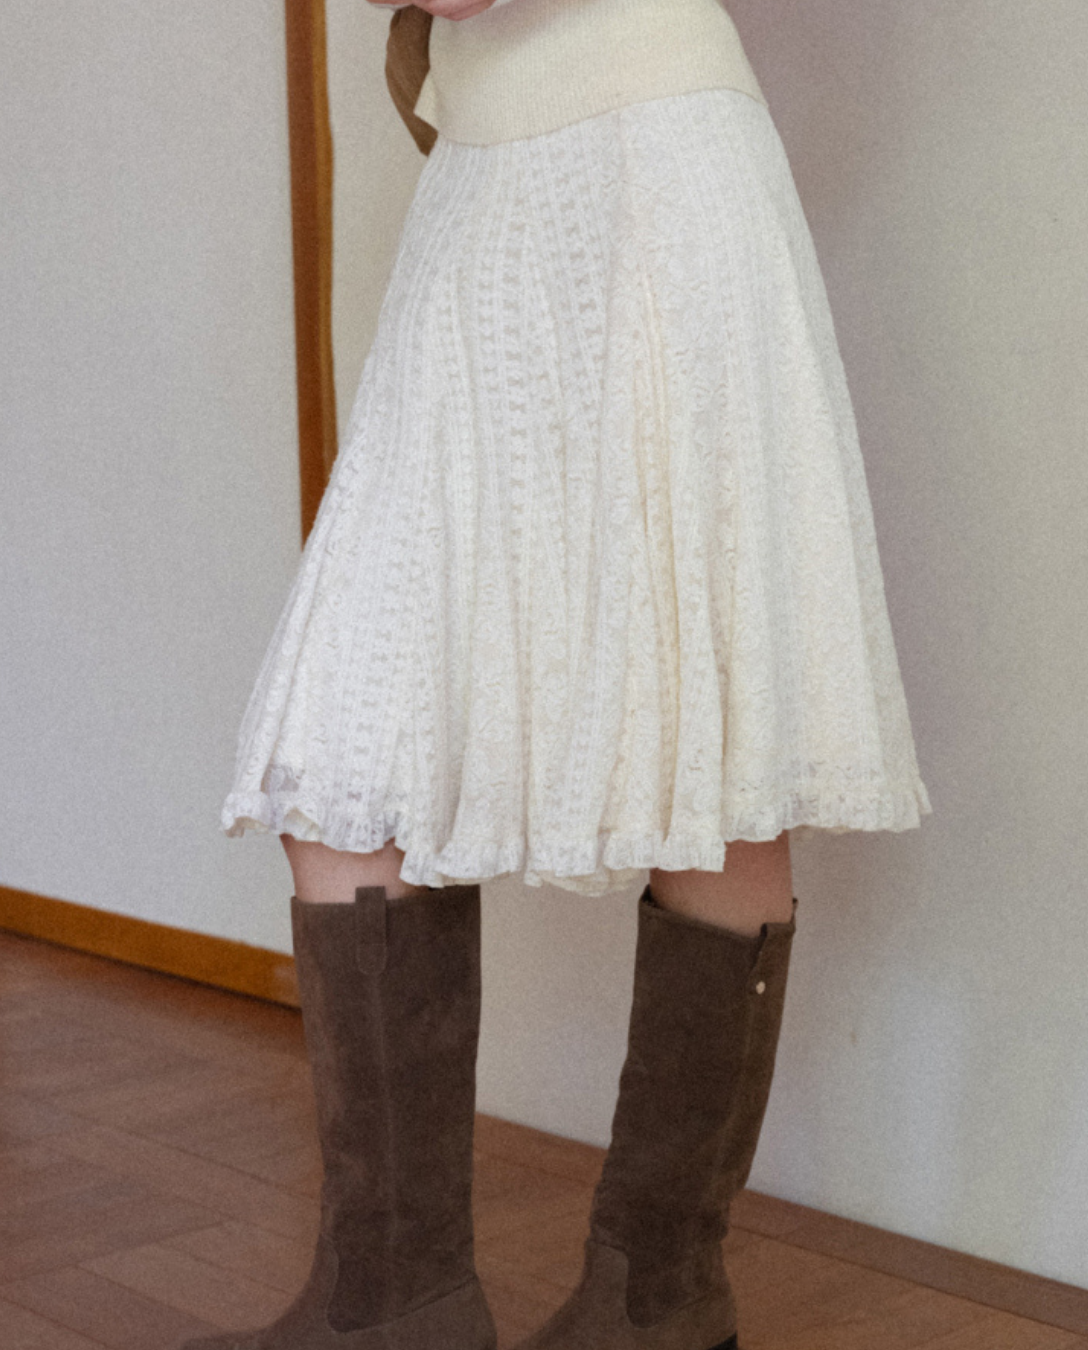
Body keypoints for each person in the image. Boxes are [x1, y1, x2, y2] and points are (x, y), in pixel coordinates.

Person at [188, 1, 931, 1347]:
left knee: (709, 738)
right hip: (488, 186)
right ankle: (398, 1301)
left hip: (650, 168)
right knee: (354, 753)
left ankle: (652, 1302)